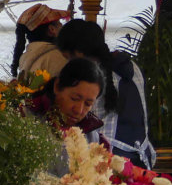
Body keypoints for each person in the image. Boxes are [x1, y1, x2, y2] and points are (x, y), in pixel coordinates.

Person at [57, 19, 155, 169]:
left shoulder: (89, 76)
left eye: (68, 58)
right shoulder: (132, 66)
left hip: (110, 162)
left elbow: (82, 119)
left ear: (78, 53)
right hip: (143, 158)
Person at [29, 58, 105, 174]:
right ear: (57, 86)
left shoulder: (92, 138)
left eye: (88, 104)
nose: (78, 110)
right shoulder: (28, 119)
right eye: (74, 98)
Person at [11, 3, 69, 82]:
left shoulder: (24, 57)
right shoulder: (58, 56)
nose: (62, 26)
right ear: (52, 29)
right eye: (59, 24)